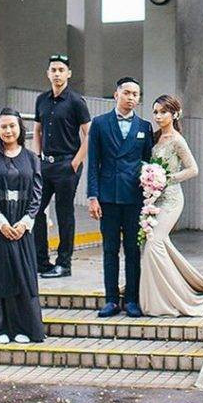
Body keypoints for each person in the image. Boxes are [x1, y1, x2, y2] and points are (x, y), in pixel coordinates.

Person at [139, 94, 203, 317]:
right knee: (156, 244)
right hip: (154, 199)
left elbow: (193, 169)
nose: (158, 116)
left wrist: (166, 178)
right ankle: (162, 293)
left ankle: (176, 297)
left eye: (163, 112)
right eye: (155, 112)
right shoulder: (155, 137)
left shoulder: (178, 140)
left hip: (172, 199)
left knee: (154, 245)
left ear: (174, 114)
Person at [0, 108, 45, 344]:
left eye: (12, 126)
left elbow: (37, 192)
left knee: (22, 275)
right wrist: (1, 222)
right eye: (3, 126)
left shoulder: (31, 158)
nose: (8, 130)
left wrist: (26, 221)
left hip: (22, 227)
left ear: (20, 128)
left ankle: (25, 327)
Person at [87, 76, 153, 318]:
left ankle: (132, 299)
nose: (132, 98)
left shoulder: (145, 127)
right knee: (109, 249)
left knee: (133, 250)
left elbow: (148, 163)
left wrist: (150, 197)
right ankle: (111, 299)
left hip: (135, 198)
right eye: (127, 93)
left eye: (136, 94)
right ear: (116, 95)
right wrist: (92, 196)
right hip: (108, 196)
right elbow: (93, 162)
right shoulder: (100, 124)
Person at [33, 54, 91, 279]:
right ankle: (41, 261)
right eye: (53, 70)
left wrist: (75, 162)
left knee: (64, 213)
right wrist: (37, 157)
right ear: (48, 73)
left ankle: (64, 263)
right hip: (45, 164)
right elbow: (36, 130)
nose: (57, 74)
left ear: (69, 74)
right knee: (36, 209)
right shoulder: (41, 100)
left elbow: (89, 134)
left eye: (61, 70)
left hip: (68, 164)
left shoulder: (76, 101)